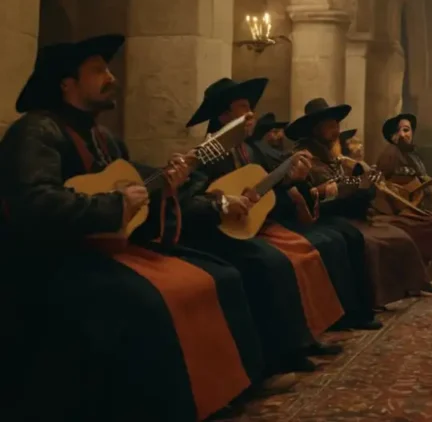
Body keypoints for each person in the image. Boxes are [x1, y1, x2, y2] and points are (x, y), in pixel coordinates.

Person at [0, 35, 264, 421]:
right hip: (52, 259)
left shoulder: (106, 139)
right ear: (66, 83)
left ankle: (227, 388)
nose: (110, 77)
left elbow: (142, 191)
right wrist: (115, 204)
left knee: (218, 276)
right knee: (149, 301)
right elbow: (34, 203)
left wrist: (165, 186)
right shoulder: (35, 131)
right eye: (98, 70)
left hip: (103, 248)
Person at [182, 78, 348, 377]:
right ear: (223, 116)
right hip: (218, 233)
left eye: (251, 108)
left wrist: (290, 175)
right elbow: (191, 200)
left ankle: (305, 337)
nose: (251, 115)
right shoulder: (207, 153)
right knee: (273, 262)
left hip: (252, 225)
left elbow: (267, 183)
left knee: (305, 251)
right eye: (243, 108)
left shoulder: (248, 150)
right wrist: (222, 203)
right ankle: (282, 353)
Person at [287, 99, 432, 306]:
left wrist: (361, 185)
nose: (336, 130)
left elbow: (347, 184)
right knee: (372, 244)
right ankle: (368, 301)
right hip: (325, 219)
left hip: (348, 213)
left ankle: (408, 286)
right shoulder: (304, 155)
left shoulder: (329, 154)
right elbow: (315, 195)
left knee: (400, 237)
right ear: (315, 129)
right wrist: (350, 188)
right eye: (330, 126)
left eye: (336, 125)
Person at [374, 112, 432, 283]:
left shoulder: (413, 155)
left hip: (412, 206)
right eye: (400, 131)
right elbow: (384, 183)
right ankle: (416, 277)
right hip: (395, 209)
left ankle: (427, 275)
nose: (404, 134)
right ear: (393, 136)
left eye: (407, 130)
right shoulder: (390, 153)